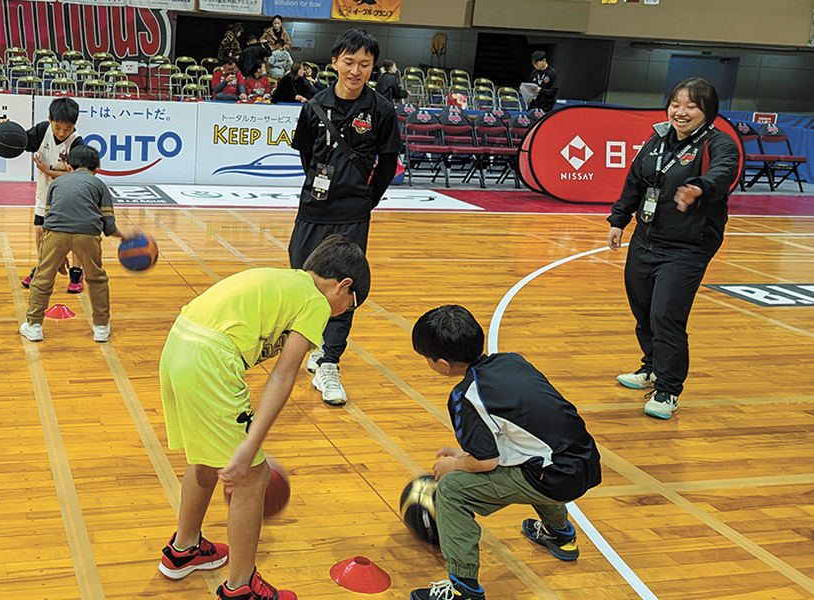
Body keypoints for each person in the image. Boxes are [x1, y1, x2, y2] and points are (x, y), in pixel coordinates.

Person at [157, 234, 370, 600]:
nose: (342, 313)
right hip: (208, 360)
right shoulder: (315, 301)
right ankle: (241, 588)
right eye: (349, 305)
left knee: (205, 459)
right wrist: (251, 442)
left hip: (178, 345)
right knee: (253, 478)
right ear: (343, 285)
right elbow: (283, 375)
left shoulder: (288, 282)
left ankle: (184, 549)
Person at [408, 305, 602, 600]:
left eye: (427, 358)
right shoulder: (512, 360)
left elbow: (487, 461)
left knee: (451, 491)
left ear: (444, 365)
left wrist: (454, 467)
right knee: (538, 462)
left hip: (555, 479)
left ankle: (462, 588)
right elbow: (520, 433)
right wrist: (463, 455)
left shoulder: (465, 396)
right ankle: (560, 535)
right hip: (584, 459)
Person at [607, 77, 740, 419]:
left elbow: (726, 171)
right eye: (676, 104)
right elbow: (636, 181)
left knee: (666, 315)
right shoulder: (658, 139)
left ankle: (667, 390)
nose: (681, 112)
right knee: (644, 310)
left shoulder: (718, 143)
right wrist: (618, 220)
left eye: (691, 106)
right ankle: (651, 367)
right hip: (645, 239)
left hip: (688, 247)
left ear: (708, 111)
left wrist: (700, 187)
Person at [288, 27, 402, 405]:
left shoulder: (382, 110)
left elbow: (388, 164)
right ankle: (315, 344)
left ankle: (329, 363)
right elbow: (307, 156)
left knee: (343, 288)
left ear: (373, 67)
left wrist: (366, 201)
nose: (356, 71)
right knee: (303, 282)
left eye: (364, 64)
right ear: (335, 61)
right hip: (313, 209)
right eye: (349, 62)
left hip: (353, 213)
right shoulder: (313, 106)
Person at [19, 145, 136, 343]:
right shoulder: (100, 185)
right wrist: (125, 236)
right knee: (97, 279)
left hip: (55, 234)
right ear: (97, 169)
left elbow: (49, 219)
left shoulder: (57, 183)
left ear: (68, 167)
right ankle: (101, 328)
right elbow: (108, 227)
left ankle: (34, 326)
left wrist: (59, 256)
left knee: (42, 278)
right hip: (88, 235)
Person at [10, 97, 85, 293]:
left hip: (70, 194)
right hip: (46, 192)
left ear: (74, 125)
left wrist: (47, 171)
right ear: (50, 119)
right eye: (57, 127)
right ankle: (45, 268)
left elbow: (77, 174)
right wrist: (2, 127)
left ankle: (76, 273)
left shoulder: (76, 142)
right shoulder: (42, 130)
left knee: (74, 235)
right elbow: (18, 140)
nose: (61, 133)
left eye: (67, 129)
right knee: (40, 231)